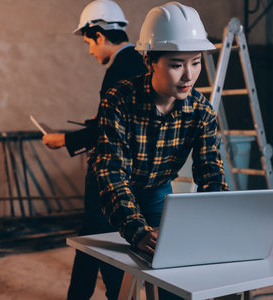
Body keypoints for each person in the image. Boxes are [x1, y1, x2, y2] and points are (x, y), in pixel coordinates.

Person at [93, 2, 228, 297]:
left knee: (171, 274)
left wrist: (215, 220)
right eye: (176, 64)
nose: (189, 76)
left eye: (195, 62)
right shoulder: (119, 100)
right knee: (116, 279)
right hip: (110, 190)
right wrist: (136, 230)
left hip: (156, 189)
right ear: (149, 61)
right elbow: (112, 172)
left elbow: (210, 172)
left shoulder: (201, 112)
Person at [42, 1, 147, 299]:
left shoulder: (119, 70)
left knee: (104, 243)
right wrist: (99, 118)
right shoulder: (137, 63)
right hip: (127, 169)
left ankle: (117, 296)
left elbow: (108, 131)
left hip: (109, 174)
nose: (90, 50)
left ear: (100, 36)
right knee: (89, 239)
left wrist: (64, 139)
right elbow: (123, 120)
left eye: (89, 42)